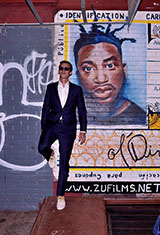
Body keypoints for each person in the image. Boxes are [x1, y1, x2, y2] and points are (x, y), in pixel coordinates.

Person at [73, 23, 146, 125]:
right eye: (88, 68)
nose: (101, 79)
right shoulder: (70, 116)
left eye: (110, 66)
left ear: (124, 71)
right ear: (78, 76)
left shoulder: (140, 118)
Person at [38, 60, 87, 210]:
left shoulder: (76, 90)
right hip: (52, 126)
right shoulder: (51, 88)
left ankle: (60, 196)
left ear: (70, 72)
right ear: (59, 71)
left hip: (68, 129)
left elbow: (82, 110)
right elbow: (45, 108)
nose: (64, 70)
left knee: (64, 162)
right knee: (42, 146)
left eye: (67, 69)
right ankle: (50, 154)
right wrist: (44, 128)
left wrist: (83, 130)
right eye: (62, 68)